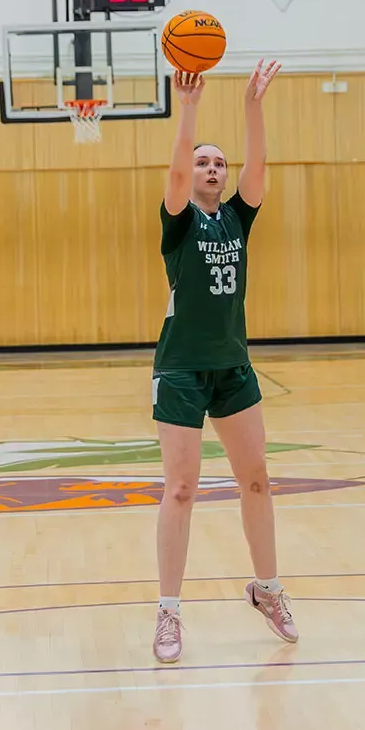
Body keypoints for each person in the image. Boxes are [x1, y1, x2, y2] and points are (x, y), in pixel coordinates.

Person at [148, 59, 293, 665]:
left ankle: (268, 588)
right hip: (180, 368)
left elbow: (258, 167)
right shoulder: (179, 223)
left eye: (218, 164)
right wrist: (190, 110)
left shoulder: (239, 214)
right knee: (180, 489)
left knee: (255, 481)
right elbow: (178, 166)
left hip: (233, 365)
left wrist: (253, 106)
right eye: (204, 163)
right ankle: (169, 611)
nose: (211, 169)